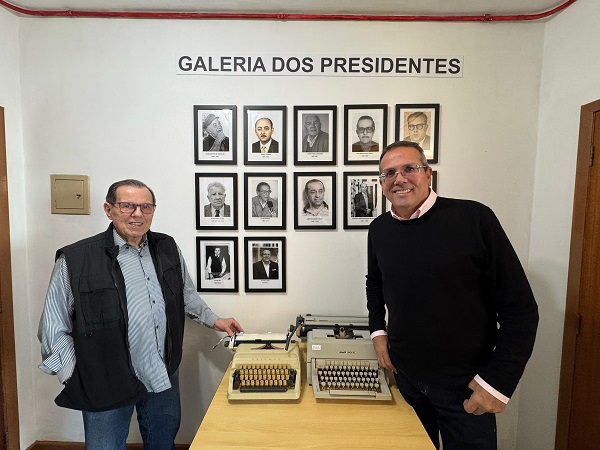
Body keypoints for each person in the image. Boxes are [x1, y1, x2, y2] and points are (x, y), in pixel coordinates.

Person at [38, 179, 244, 449]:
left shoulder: (167, 247)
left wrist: (215, 320)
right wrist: (75, 375)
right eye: (127, 206)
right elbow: (53, 327)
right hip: (105, 380)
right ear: (109, 209)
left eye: (146, 207)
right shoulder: (77, 259)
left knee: (162, 442)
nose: (138, 214)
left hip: (161, 371)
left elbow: (185, 295)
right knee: (105, 446)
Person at [366, 141, 538, 450]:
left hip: (465, 387)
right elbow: (375, 282)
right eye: (389, 173)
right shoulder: (379, 229)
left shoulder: (474, 218)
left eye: (409, 169)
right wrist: (378, 331)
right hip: (407, 379)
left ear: (428, 174)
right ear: (381, 184)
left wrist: (497, 383)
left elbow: (521, 310)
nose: (399, 179)